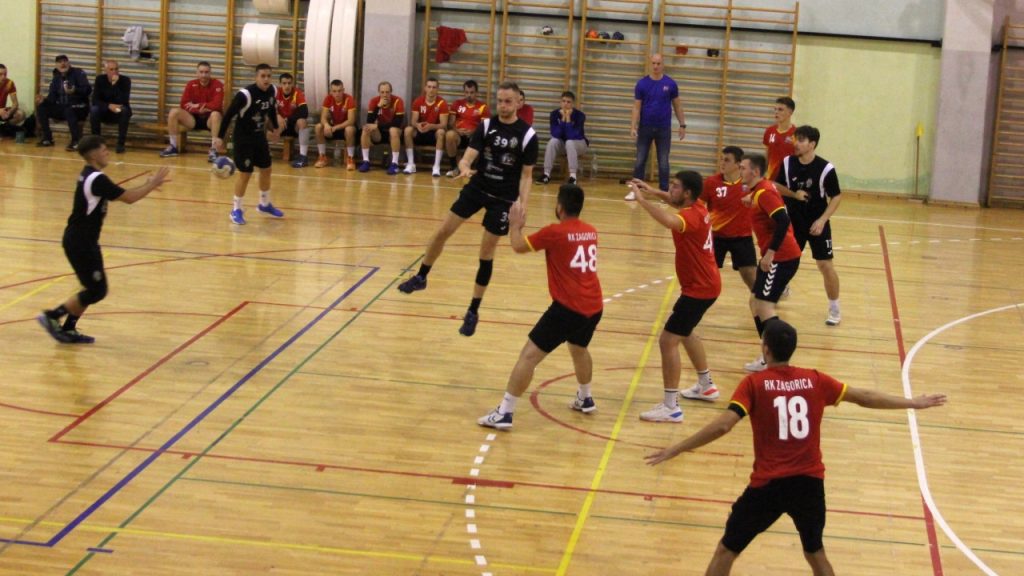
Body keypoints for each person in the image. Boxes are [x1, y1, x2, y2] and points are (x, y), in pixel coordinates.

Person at [645, 318, 947, 576]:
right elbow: (865, 397)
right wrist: (912, 402)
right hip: (809, 483)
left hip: (768, 485)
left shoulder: (754, 384)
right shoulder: (815, 379)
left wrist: (677, 448)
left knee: (727, 550)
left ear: (766, 349)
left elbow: (724, 425)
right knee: (815, 552)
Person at [397, 81, 538, 337]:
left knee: (486, 253)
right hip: (477, 187)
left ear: (519, 102)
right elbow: (468, 156)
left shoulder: (527, 135)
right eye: (500, 101)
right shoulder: (486, 126)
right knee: (442, 231)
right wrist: (463, 167)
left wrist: (522, 207)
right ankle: (421, 276)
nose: (503, 106)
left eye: (508, 101)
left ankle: (473, 310)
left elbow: (526, 176)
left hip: (503, 199)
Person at [478, 185, 603, 429]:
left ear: (560, 207)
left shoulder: (554, 232)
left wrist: (515, 226)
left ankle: (505, 412)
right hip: (594, 306)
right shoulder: (591, 231)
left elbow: (518, 246)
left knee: (528, 356)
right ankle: (585, 397)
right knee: (579, 348)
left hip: (568, 308)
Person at [37, 135, 170, 344]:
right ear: (93, 155)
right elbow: (129, 198)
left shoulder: (91, 175)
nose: (107, 152)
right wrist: (151, 184)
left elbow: (124, 193)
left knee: (92, 287)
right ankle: (52, 316)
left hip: (84, 241)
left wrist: (147, 185)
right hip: (80, 242)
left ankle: (69, 329)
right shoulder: (96, 179)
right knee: (97, 290)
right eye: (103, 150)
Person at [630, 172, 722, 420]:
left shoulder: (689, 216)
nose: (671, 189)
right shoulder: (697, 205)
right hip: (705, 285)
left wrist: (642, 200)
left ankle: (671, 407)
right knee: (686, 332)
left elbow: (669, 220)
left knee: (668, 341)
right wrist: (652, 191)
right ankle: (706, 385)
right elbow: (673, 202)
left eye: (675, 186)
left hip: (699, 289)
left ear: (688, 193)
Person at [739, 153, 802, 372]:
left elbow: (783, 221)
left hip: (781, 257)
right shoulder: (760, 190)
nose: (740, 171)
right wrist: (752, 200)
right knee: (754, 301)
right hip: (776, 256)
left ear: (755, 171)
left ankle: (776, 356)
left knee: (764, 304)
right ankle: (767, 353)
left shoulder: (764, 192)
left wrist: (770, 254)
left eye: (743, 168)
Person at [775, 126, 843, 326]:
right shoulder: (787, 163)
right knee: (786, 260)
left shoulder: (826, 168)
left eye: (801, 140)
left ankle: (835, 309)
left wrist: (822, 220)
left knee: (825, 265)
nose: (796, 143)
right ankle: (780, 289)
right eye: (795, 139)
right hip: (794, 222)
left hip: (816, 223)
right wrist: (793, 194)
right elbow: (776, 186)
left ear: (812, 144)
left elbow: (836, 196)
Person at [214, 63, 283, 225]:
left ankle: (264, 204)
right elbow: (228, 115)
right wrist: (219, 137)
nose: (266, 79)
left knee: (266, 169)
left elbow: (271, 109)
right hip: (243, 139)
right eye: (263, 76)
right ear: (256, 77)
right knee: (246, 173)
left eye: (269, 76)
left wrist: (275, 128)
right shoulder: (245, 95)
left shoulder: (272, 90)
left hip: (259, 137)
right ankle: (236, 209)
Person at [626, 53, 686, 200]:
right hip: (645, 127)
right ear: (650, 64)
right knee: (640, 160)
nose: (655, 66)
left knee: (663, 161)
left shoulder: (670, 84)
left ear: (662, 64)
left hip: (663, 128)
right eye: (653, 63)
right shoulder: (642, 84)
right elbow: (636, 107)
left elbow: (677, 106)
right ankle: (636, 190)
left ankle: (664, 192)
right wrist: (633, 126)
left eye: (658, 63)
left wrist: (682, 124)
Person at [700, 146, 757, 291]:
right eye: (721, 159)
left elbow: (768, 194)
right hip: (716, 237)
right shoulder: (711, 182)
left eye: (727, 160)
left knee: (752, 278)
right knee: (705, 278)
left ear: (738, 164)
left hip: (742, 237)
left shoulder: (750, 183)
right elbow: (698, 206)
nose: (722, 163)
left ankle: (762, 300)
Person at [160, 61, 224, 162]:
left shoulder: (217, 84)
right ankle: (173, 146)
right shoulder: (191, 84)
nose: (204, 75)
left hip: (210, 120)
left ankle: (213, 149)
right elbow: (184, 104)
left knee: (216, 114)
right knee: (174, 112)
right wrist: (198, 110)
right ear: (197, 73)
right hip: (193, 118)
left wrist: (198, 105)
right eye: (201, 72)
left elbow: (217, 105)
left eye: (206, 72)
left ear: (210, 73)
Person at [35, 55, 91, 151]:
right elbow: (52, 98)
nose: (63, 64)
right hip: (63, 107)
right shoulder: (56, 78)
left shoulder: (78, 73)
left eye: (65, 61)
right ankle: (47, 138)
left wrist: (75, 90)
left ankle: (75, 141)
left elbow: (88, 90)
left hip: (79, 107)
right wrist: (43, 100)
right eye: (60, 62)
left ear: (69, 63)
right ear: (56, 65)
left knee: (69, 109)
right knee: (42, 107)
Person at [540, 91, 589, 185]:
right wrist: (563, 118)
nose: (565, 104)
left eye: (568, 102)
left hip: (579, 144)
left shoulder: (580, 116)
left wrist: (568, 118)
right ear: (560, 102)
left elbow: (572, 135)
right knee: (552, 141)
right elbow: (556, 134)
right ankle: (546, 174)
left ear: (573, 104)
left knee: (570, 142)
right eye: (563, 101)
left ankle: (573, 177)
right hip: (564, 144)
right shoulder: (554, 114)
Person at [402, 77, 448, 176]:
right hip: (421, 131)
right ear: (425, 88)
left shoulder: (442, 103)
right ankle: (411, 163)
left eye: (434, 87)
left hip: (434, 133)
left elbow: (444, 124)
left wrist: (431, 126)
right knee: (408, 130)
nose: (431, 90)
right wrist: (417, 125)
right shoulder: (418, 101)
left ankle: (436, 166)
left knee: (441, 132)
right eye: (429, 87)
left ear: (437, 89)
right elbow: (413, 121)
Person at [358, 81, 405, 175]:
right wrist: (378, 106)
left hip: (394, 133)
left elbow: (397, 123)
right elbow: (370, 121)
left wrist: (377, 126)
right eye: (382, 92)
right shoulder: (374, 101)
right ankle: (366, 161)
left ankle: (395, 163)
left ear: (391, 91)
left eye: (387, 92)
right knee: (366, 129)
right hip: (379, 133)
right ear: (379, 92)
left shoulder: (398, 101)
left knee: (393, 130)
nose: (385, 95)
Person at [444, 79, 489, 177]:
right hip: (459, 136)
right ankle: (454, 167)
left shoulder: (483, 106)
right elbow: (450, 124)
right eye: (467, 92)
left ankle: (472, 168)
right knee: (449, 135)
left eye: (472, 92)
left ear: (476, 93)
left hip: (474, 137)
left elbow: (484, 127)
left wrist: (474, 132)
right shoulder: (457, 104)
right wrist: (457, 130)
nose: (469, 95)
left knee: (482, 138)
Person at [89, 60, 132, 154]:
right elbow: (95, 100)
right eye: (111, 69)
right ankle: (97, 143)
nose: (114, 72)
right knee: (94, 110)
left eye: (116, 69)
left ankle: (120, 144)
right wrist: (108, 106)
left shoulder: (125, 80)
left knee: (124, 110)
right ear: (106, 71)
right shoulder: (100, 79)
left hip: (118, 110)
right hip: (104, 110)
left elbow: (123, 100)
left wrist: (114, 84)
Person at [313, 79, 357, 169]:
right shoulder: (328, 99)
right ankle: (322, 156)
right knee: (318, 127)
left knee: (349, 129)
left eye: (339, 91)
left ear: (343, 90)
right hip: (333, 128)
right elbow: (323, 118)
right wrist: (326, 125)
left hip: (345, 128)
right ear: (331, 91)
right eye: (334, 91)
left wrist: (336, 127)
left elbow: (351, 121)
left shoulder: (349, 99)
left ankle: (350, 158)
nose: (337, 94)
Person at [274, 72, 310, 168]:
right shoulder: (276, 93)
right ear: (280, 84)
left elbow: (304, 112)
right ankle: (260, 152)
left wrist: (287, 119)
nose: (287, 86)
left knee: (302, 122)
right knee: (265, 121)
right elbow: (268, 109)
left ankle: (303, 157)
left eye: (289, 83)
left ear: (292, 84)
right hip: (279, 125)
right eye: (284, 83)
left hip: (292, 126)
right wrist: (277, 115)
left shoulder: (297, 93)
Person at [763, 97, 796, 182]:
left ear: (790, 112)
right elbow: (767, 154)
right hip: (771, 177)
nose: (776, 112)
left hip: (788, 178)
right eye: (775, 109)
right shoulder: (769, 131)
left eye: (780, 109)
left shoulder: (796, 133)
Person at [0, 63, 28, 138]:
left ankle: (3, 128)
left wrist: (9, 112)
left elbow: (15, 104)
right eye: (0, 74)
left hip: (3, 112)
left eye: (5, 74)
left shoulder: (9, 83)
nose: (3, 77)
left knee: (21, 114)